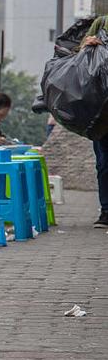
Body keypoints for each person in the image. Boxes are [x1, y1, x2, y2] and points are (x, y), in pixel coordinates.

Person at [81, 33, 108, 228]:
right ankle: (106, 211)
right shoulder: (99, 27)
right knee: (104, 164)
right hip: (102, 116)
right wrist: (85, 47)